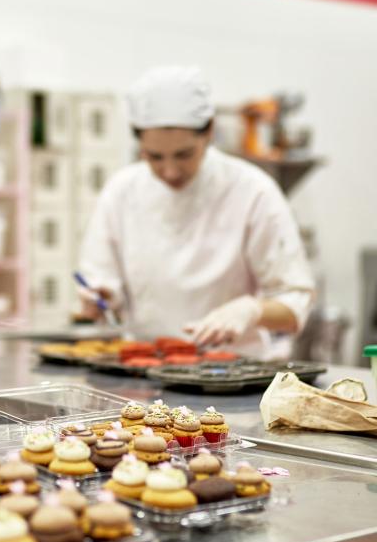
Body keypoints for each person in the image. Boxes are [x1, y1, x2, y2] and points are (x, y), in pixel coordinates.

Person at [77, 65, 314, 358]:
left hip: (233, 374)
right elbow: (99, 280)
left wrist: (250, 310)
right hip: (144, 371)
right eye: (154, 156)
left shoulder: (253, 191)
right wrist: (100, 298)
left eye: (184, 154)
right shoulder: (122, 191)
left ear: (209, 132)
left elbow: (295, 301)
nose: (170, 170)